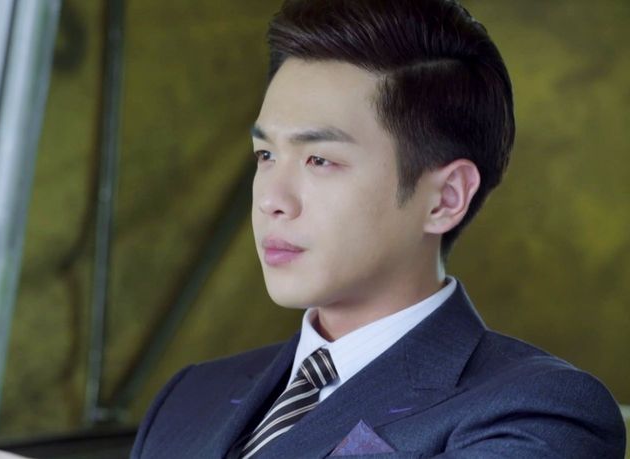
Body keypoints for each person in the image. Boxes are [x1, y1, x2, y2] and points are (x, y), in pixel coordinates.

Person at [131, 0, 626, 457]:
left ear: (445, 198)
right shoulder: (188, 397)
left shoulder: (536, 413)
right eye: (265, 154)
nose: (270, 200)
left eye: (320, 159)